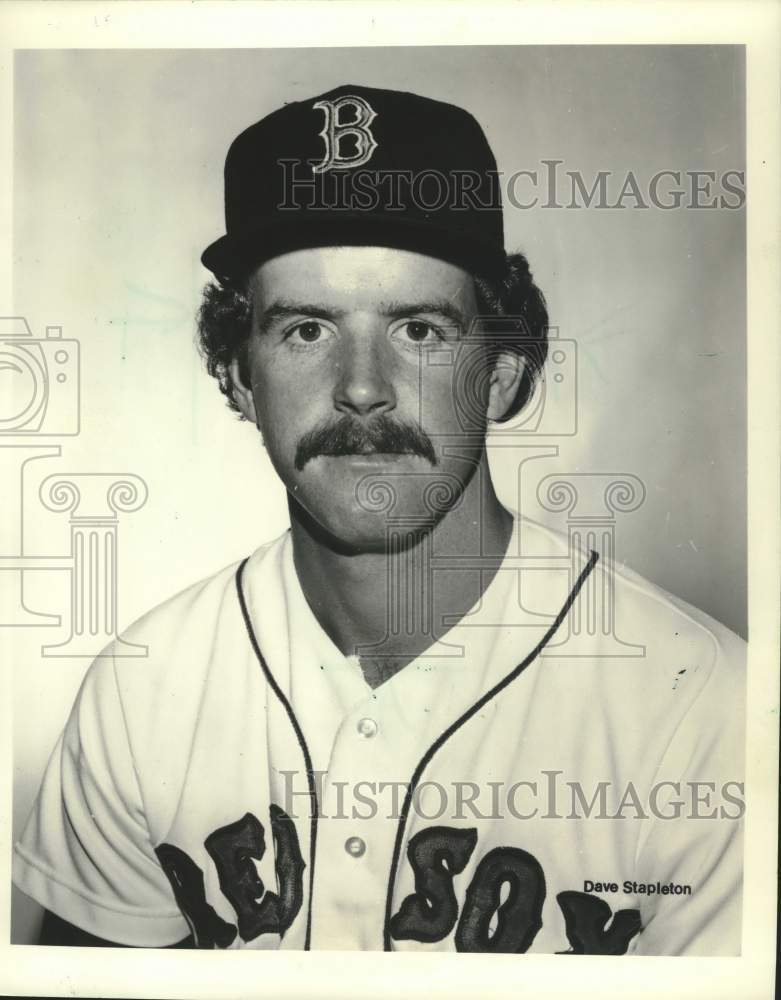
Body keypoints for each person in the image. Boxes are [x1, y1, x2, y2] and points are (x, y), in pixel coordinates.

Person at [13, 83, 745, 954]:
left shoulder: (700, 710)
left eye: (420, 330)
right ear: (240, 378)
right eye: (307, 330)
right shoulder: (143, 691)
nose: (362, 386)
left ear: (504, 374)